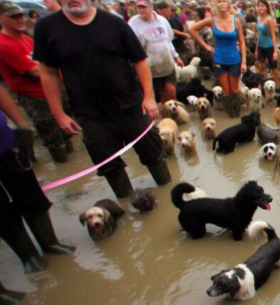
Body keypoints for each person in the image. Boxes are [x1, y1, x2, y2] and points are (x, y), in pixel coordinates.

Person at [34, 0, 171, 199]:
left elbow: (139, 60)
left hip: (132, 106)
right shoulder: (46, 27)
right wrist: (58, 113)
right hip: (90, 115)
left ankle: (167, 193)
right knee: (108, 164)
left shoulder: (114, 23)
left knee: (154, 153)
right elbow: (47, 72)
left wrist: (149, 97)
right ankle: (125, 202)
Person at [0, 85, 76, 277]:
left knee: (30, 194)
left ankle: (50, 243)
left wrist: (21, 123)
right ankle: (28, 256)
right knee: (0, 210)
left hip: (6, 143)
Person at [0, 2, 73, 164]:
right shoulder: (4, 44)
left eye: (20, 15)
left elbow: (47, 62)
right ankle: (66, 176)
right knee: (55, 142)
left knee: (67, 134)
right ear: (2, 19)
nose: (20, 19)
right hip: (35, 100)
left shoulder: (26, 38)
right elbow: (36, 71)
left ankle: (75, 168)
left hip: (53, 93)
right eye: (14, 17)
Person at [190, 0, 247, 118]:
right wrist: (205, 45)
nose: (222, 4)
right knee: (226, 91)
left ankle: (237, 117)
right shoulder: (212, 20)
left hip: (235, 60)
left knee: (235, 90)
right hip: (219, 60)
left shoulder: (235, 21)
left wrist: (244, 62)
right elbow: (192, 29)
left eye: (224, 1)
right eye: (219, 1)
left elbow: (242, 43)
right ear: (216, 5)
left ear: (228, 4)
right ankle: (231, 117)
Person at [129, 0, 184, 105]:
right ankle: (166, 117)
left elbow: (168, 40)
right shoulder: (133, 23)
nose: (141, 10)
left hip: (166, 62)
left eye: (144, 7)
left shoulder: (162, 20)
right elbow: (131, 45)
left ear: (151, 7)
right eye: (139, 7)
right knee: (161, 93)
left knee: (171, 90)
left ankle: (177, 115)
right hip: (150, 66)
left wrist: (176, 56)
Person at [256, 0, 280, 84]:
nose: (260, 8)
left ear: (266, 7)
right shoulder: (258, 18)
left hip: (269, 46)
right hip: (260, 46)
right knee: (261, 67)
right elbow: (259, 34)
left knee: (274, 68)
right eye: (259, 6)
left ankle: (278, 85)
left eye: (262, 6)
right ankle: (265, 83)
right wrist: (256, 49)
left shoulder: (269, 19)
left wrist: (275, 51)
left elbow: (273, 35)